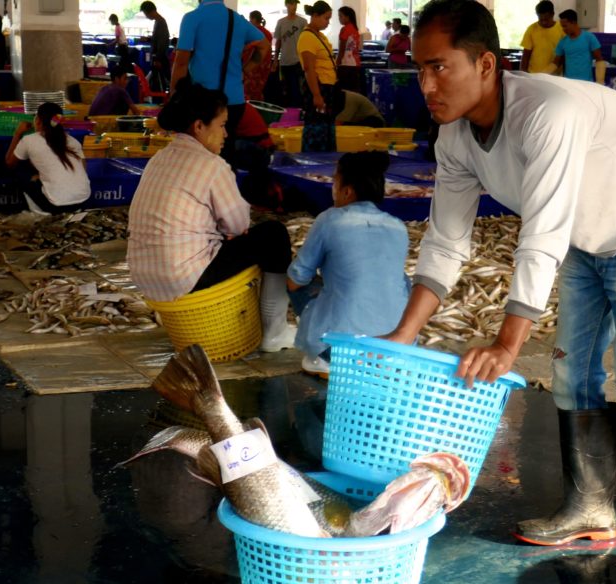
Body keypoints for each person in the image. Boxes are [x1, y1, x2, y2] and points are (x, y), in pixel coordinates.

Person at [388, 0, 616, 548]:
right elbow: (447, 241)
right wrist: (402, 337)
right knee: (574, 377)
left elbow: (542, 232)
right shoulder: (454, 138)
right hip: (584, 236)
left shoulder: (546, 113)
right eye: (419, 68)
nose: (427, 84)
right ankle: (591, 508)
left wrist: (506, 343)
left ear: (485, 65)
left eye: (439, 66)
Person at [127, 83, 295, 352]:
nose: (226, 134)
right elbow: (239, 225)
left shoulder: (159, 157)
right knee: (273, 235)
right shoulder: (212, 165)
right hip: (184, 276)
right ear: (199, 126)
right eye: (221, 125)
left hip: (145, 275)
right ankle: (274, 333)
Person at [286, 151, 411, 377]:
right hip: (394, 348)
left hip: (340, 350)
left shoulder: (330, 219)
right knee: (401, 281)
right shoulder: (399, 227)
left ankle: (323, 357)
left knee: (299, 281)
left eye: (335, 179)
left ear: (348, 190)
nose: (332, 186)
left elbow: (296, 279)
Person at [171, 0, 267, 161]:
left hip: (203, 102)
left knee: (200, 157)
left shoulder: (193, 18)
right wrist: (245, 70)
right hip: (235, 102)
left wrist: (174, 96)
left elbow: (181, 62)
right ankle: (227, 184)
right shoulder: (237, 19)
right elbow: (264, 46)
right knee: (226, 156)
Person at [5, 102, 91, 215]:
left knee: (20, 170)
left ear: (38, 120)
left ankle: (38, 211)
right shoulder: (73, 141)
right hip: (83, 201)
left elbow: (9, 163)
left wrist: (17, 134)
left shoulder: (29, 140)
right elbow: (83, 170)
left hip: (56, 206)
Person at [298, 1, 337, 152]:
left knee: (326, 128)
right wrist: (316, 95)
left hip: (327, 88)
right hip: (318, 88)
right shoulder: (307, 37)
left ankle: (325, 159)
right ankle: (312, 159)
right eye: (326, 18)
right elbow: (309, 69)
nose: (328, 22)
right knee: (316, 128)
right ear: (315, 16)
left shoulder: (319, 36)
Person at [274, 0, 308, 108]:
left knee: (297, 89)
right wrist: (275, 59)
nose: (294, 6)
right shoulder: (281, 22)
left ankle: (297, 111)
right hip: (284, 61)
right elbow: (278, 42)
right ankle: (289, 113)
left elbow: (307, 41)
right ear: (286, 5)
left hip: (298, 61)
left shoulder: (302, 22)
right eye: (291, 4)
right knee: (287, 89)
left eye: (295, 4)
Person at [553, 10, 603, 82]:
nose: (563, 29)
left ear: (573, 22)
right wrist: (539, 75)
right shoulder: (563, 42)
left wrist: (600, 83)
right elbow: (555, 63)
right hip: (570, 84)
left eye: (565, 26)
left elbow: (599, 60)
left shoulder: (589, 38)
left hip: (587, 84)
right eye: (562, 27)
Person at [519, 1, 562, 74]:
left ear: (553, 14)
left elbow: (563, 56)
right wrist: (523, 74)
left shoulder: (562, 29)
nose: (543, 22)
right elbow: (525, 56)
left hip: (555, 77)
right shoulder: (531, 29)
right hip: (533, 75)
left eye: (546, 19)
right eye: (541, 19)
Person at [244, 11, 274, 102]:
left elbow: (248, 50)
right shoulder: (267, 33)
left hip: (253, 66)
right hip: (264, 66)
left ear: (253, 19)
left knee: (248, 90)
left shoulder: (252, 32)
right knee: (258, 89)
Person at [141, 2, 170, 92]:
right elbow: (157, 39)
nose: (146, 16)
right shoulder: (158, 21)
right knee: (157, 83)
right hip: (158, 57)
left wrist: (158, 59)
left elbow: (162, 42)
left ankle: (161, 102)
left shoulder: (161, 22)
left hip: (159, 58)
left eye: (145, 14)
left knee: (160, 84)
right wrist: (148, 39)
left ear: (150, 11)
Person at [337, 6, 363, 93]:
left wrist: (337, 61)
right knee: (354, 90)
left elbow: (342, 49)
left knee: (344, 91)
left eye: (341, 16)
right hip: (355, 63)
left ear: (348, 17)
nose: (339, 18)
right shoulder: (355, 29)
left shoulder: (345, 29)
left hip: (346, 64)